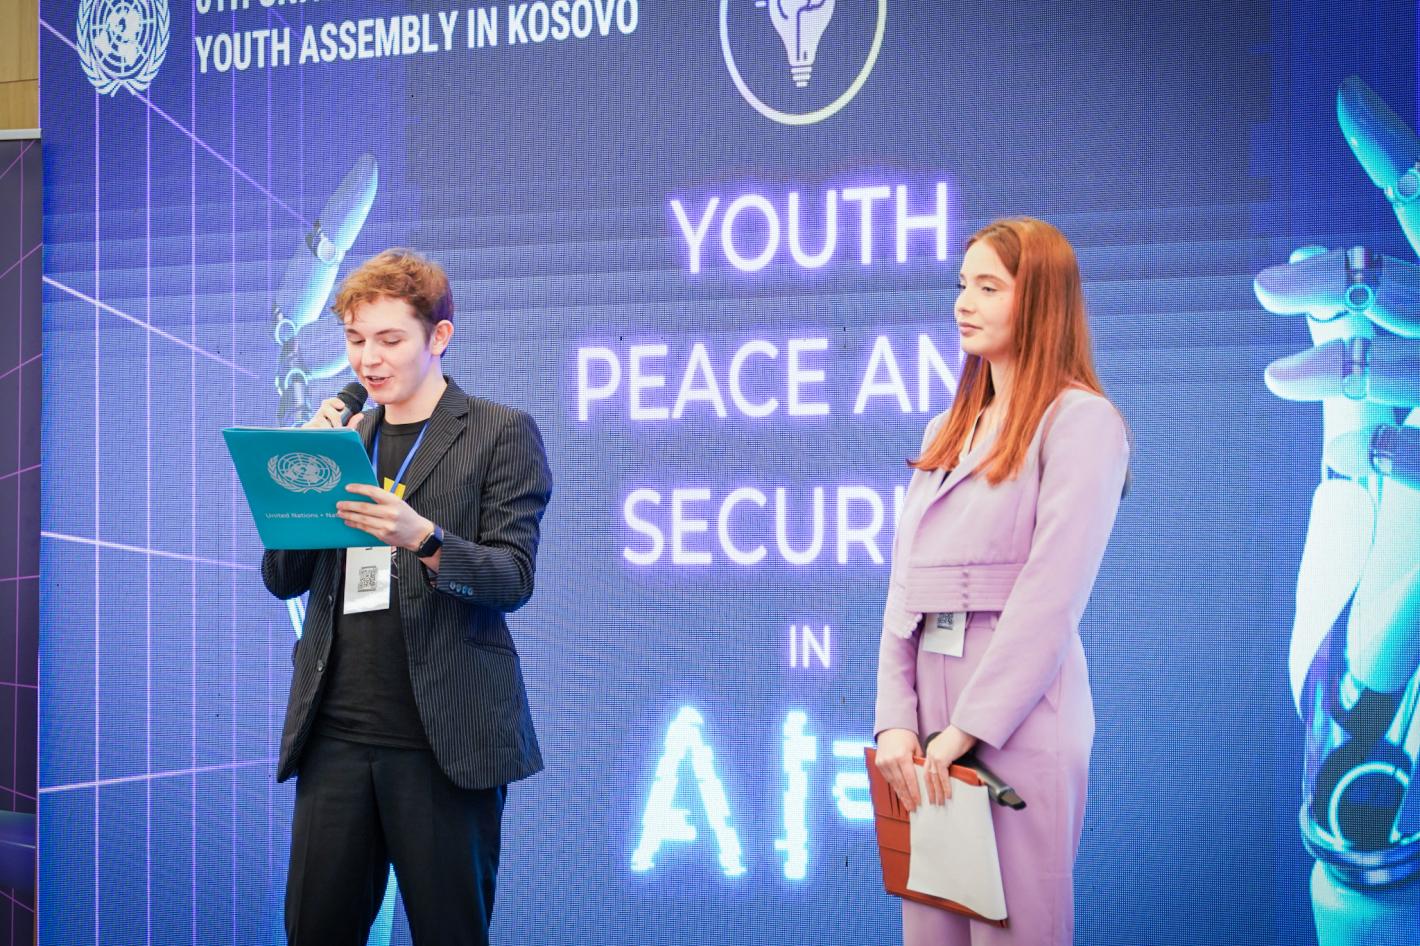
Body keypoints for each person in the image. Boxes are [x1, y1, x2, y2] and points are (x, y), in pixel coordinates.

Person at [261, 248, 553, 946]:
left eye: (390, 340)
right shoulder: (344, 440)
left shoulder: (498, 432)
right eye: (356, 340)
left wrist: (422, 537)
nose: (369, 360)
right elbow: (282, 578)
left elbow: (512, 578)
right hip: (335, 738)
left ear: (438, 337)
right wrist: (300, 481)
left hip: (443, 743)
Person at [874, 218, 1129, 945]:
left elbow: (1052, 595)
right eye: (963, 285)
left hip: (1017, 715)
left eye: (989, 287)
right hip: (927, 723)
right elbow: (903, 589)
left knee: (1016, 931)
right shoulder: (945, 430)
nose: (964, 303)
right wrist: (895, 720)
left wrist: (967, 730)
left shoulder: (1082, 421)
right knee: (932, 933)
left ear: (1041, 300)